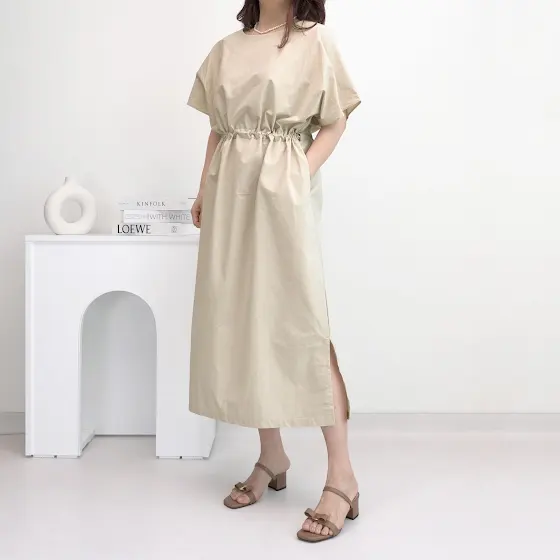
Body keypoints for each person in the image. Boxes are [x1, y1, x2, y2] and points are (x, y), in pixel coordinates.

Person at [187, 0, 361, 543]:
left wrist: (297, 176)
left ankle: (342, 476)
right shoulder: (226, 49)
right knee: (245, 321)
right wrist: (203, 188)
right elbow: (219, 130)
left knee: (302, 324)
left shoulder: (314, 41)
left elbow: (335, 119)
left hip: (281, 195)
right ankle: (272, 454)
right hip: (229, 197)